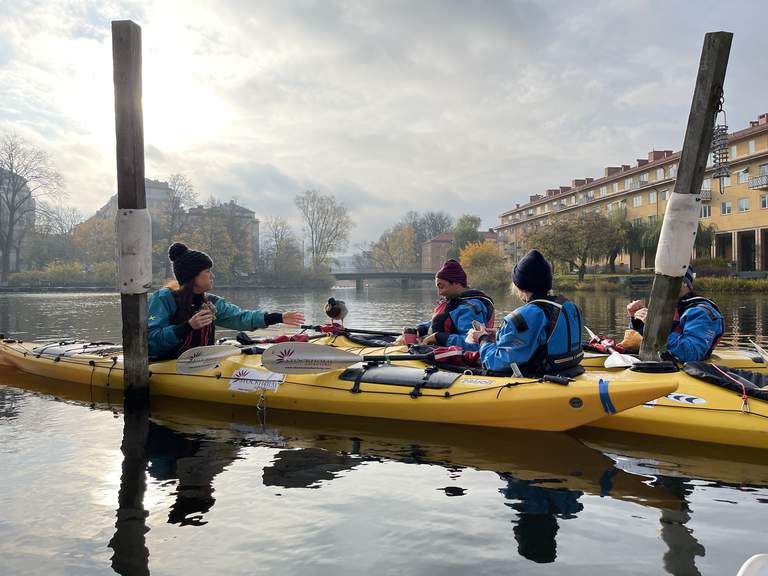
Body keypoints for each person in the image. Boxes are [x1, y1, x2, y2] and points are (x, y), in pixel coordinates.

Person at [148, 243, 305, 360]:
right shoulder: (163, 299)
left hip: (200, 363)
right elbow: (151, 340)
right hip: (167, 363)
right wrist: (187, 326)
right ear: (192, 276)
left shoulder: (211, 303)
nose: (212, 276)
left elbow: (241, 318)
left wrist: (277, 317)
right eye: (207, 271)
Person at [466, 250, 584, 375]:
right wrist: (499, 335)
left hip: (542, 377)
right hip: (571, 369)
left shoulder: (522, 317)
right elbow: (543, 335)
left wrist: (483, 339)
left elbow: (497, 362)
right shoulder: (570, 306)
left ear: (520, 286)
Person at [626, 264, 724, 362]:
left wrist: (658, 327)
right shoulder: (668, 307)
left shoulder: (701, 313)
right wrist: (638, 320)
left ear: (685, 282)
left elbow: (692, 354)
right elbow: (645, 344)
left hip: (688, 369)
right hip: (664, 364)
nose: (659, 285)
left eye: (666, 279)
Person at [399, 259, 495, 351]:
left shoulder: (470, 308)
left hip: (460, 360)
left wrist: (439, 337)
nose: (439, 293)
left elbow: (474, 344)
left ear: (456, 283)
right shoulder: (454, 301)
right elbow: (444, 321)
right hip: (441, 351)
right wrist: (419, 330)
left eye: (442, 287)